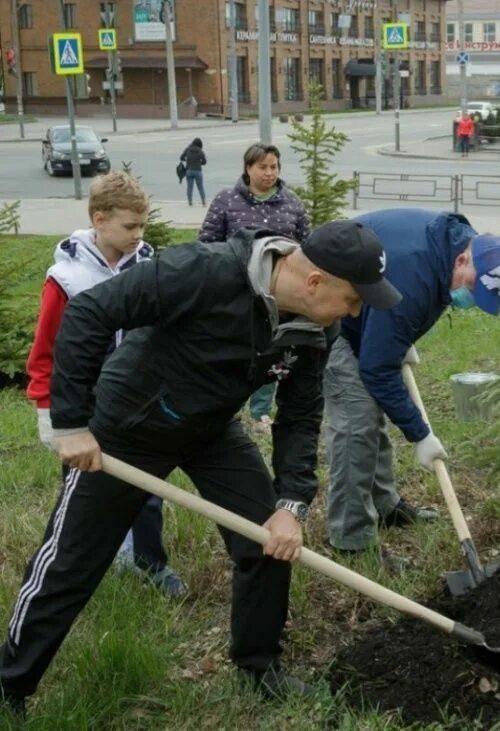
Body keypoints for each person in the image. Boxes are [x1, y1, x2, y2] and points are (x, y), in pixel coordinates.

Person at [0, 221, 401, 719]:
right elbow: (89, 312)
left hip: (210, 429)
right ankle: (10, 684)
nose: (356, 311)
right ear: (315, 282)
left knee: (267, 539)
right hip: (127, 428)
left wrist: (291, 504)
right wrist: (72, 423)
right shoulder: (202, 271)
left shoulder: (317, 328)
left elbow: (300, 417)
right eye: (354, 299)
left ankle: (259, 666)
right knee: (71, 563)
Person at [325, 209, 500, 566]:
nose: (470, 297)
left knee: (375, 413)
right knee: (358, 423)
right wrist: (420, 434)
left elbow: (404, 315)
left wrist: (396, 337)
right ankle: (350, 541)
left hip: (368, 313)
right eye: (473, 287)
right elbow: (376, 368)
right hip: (329, 312)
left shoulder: (455, 247)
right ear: (464, 258)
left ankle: (384, 506)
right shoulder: (414, 274)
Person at [24, 171, 187, 599]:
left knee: (147, 490)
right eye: (130, 226)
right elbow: (46, 348)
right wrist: (49, 409)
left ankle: (152, 564)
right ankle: (86, 566)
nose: (139, 234)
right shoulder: (66, 278)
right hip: (84, 404)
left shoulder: (149, 267)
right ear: (100, 219)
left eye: (144, 225)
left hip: (137, 401)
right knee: (84, 493)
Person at [199, 143, 311, 435]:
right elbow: (207, 243)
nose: (269, 173)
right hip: (235, 290)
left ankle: (260, 411)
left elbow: (305, 246)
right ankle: (227, 406)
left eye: (274, 167)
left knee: (272, 350)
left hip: (277, 296)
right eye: (262, 167)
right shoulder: (226, 201)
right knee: (234, 349)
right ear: (248, 168)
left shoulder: (292, 204)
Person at [180, 137, 207, 207]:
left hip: (189, 171)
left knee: (189, 187)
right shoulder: (200, 151)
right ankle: (203, 202)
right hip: (198, 171)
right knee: (200, 187)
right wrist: (199, 163)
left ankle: (190, 202)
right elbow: (204, 162)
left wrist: (187, 160)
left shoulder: (188, 149)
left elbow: (181, 157)